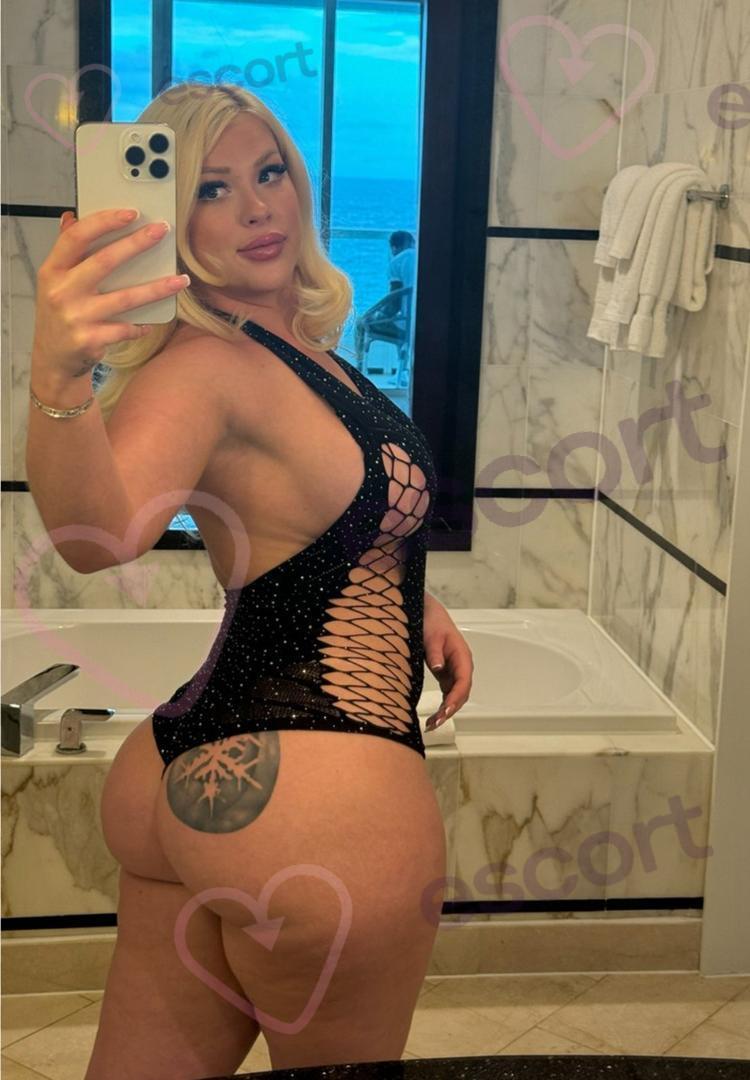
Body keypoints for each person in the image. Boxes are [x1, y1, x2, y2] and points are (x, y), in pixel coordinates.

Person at [27, 82, 473, 1079]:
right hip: (315, 811)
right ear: (167, 221)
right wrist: (59, 379)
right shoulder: (207, 365)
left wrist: (404, 592)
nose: (257, 207)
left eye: (269, 172)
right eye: (210, 189)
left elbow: (310, 521)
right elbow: (101, 538)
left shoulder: (295, 349)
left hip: (187, 777)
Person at [354, 232, 415, 384]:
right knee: (401, 318)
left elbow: (394, 303)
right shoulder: (421, 258)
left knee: (361, 323)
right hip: (424, 323)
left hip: (406, 327)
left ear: (393, 248)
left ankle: (358, 370)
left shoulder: (396, 262)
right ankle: (403, 370)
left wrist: (373, 314)